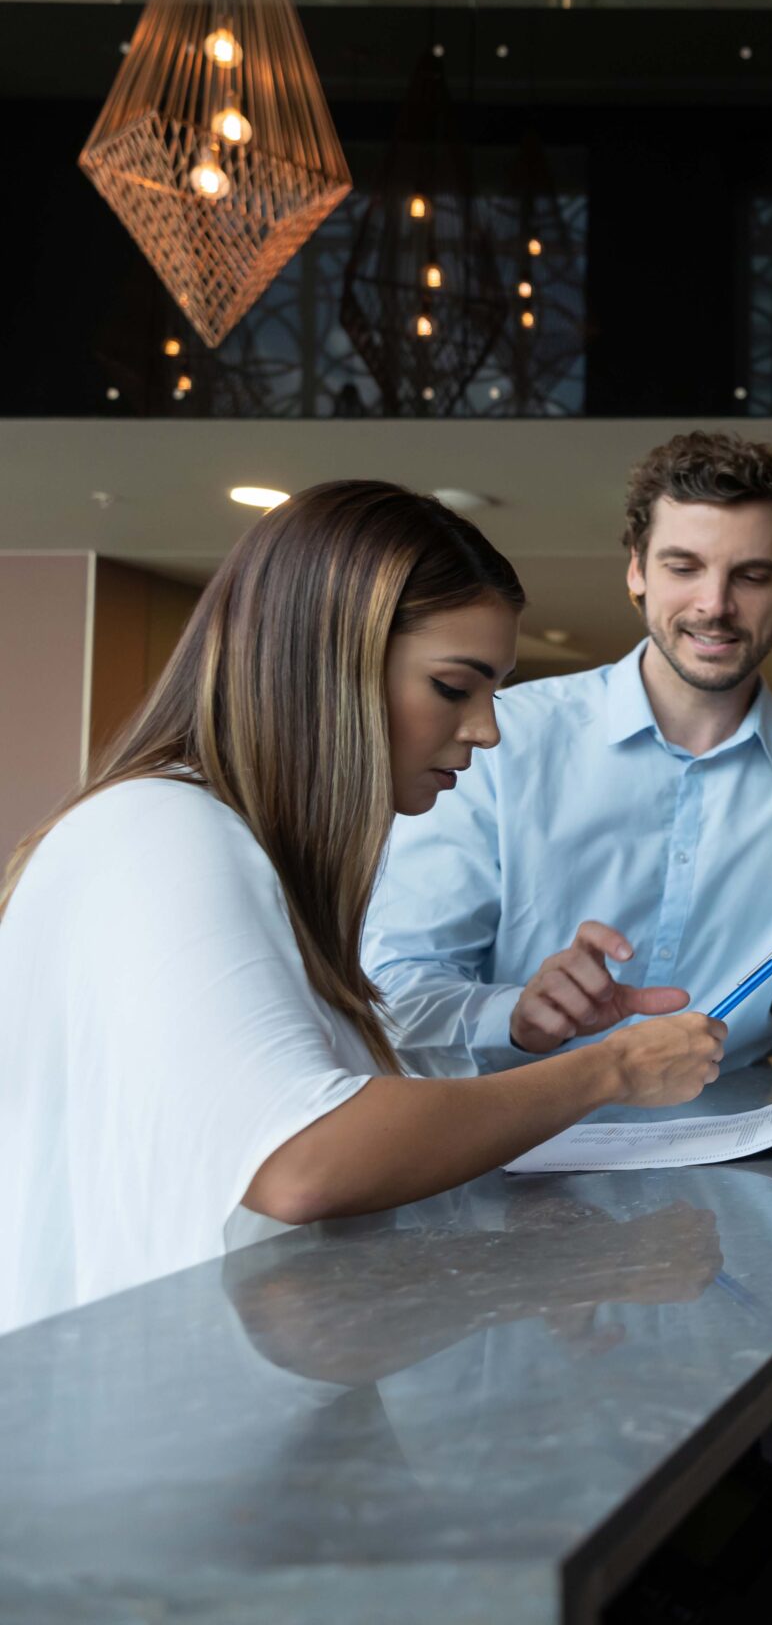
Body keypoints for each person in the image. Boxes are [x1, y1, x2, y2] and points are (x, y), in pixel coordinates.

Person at [0, 484, 727, 1336]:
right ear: (325, 663)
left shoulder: (241, 848)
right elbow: (302, 1157)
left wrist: (517, 1024)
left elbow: (297, 1095)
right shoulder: (161, 830)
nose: (487, 731)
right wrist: (612, 1070)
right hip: (146, 1426)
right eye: (455, 687)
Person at [364, 432, 772, 1090]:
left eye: (751, 575)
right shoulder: (500, 740)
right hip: (502, 1149)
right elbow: (398, 981)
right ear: (636, 570)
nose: (714, 605)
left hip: (728, 1159)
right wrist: (516, 1015)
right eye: (683, 567)